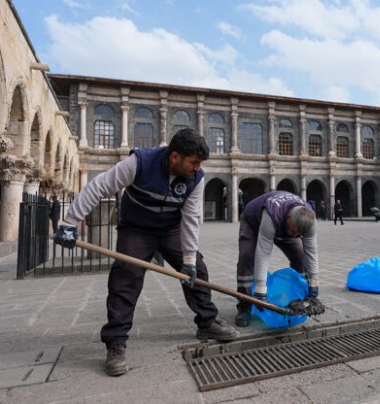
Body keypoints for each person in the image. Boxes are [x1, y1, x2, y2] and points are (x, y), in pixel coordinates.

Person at [54, 128, 237, 377]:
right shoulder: (139, 163)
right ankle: (116, 343)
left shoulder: (196, 178)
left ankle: (207, 322)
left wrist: (190, 260)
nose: (197, 168)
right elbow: (98, 187)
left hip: (171, 228)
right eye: (193, 162)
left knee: (199, 272)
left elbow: (192, 219)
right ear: (175, 157)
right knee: (126, 278)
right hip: (137, 228)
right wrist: (69, 223)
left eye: (199, 164)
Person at [235, 190, 319, 327]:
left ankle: (298, 297)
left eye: (298, 234)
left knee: (300, 257)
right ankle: (245, 304)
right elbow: (263, 252)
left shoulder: (309, 220)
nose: (295, 235)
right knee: (247, 257)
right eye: (293, 231)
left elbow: (311, 250)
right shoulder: (273, 214)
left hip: (283, 228)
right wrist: (261, 289)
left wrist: (313, 281)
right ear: (288, 218)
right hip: (253, 221)